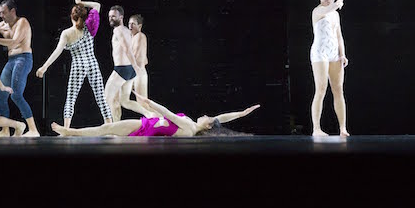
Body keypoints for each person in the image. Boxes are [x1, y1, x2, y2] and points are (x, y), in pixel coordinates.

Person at [36, 0, 112, 128]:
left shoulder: (67, 33)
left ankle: (66, 128)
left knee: (71, 98)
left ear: (72, 16)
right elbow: (97, 6)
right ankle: (110, 126)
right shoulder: (89, 26)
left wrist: (44, 67)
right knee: (101, 97)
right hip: (92, 63)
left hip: (78, 65)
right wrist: (80, 2)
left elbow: (57, 51)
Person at [51, 94, 259, 137]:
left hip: (145, 128)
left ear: (207, 126)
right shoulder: (193, 127)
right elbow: (221, 119)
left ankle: (71, 132)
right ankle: (71, 132)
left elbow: (167, 113)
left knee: (107, 129)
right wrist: (241, 113)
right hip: (147, 124)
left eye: (207, 118)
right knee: (108, 130)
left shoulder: (189, 127)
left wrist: (149, 102)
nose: (205, 115)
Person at [0, 0, 40, 137]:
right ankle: (5, 130)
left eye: (4, 12)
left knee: (16, 95)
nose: (1, 15)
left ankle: (33, 130)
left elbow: (13, 43)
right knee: (0, 96)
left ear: (12, 11)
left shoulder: (22, 22)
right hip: (11, 60)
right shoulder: (0, 26)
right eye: (0, 13)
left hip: (23, 58)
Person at [310, 0, 350, 137]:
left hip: (334, 53)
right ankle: (316, 129)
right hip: (320, 53)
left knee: (338, 90)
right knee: (321, 89)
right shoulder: (318, 11)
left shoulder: (335, 14)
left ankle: (342, 128)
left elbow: (339, 36)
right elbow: (329, 9)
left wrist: (342, 54)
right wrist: (337, 3)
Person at [103, 5, 153, 122]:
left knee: (105, 99)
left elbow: (127, 49)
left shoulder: (118, 30)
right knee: (125, 101)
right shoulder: (127, 31)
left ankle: (109, 126)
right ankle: (148, 113)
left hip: (122, 69)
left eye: (113, 16)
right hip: (129, 70)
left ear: (121, 17)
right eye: (110, 16)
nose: (111, 18)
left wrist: (135, 66)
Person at [128, 14, 149, 97]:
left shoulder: (140, 36)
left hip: (138, 73)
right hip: (135, 72)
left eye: (133, 24)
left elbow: (137, 57)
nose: (130, 26)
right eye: (129, 23)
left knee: (142, 102)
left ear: (139, 26)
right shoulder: (132, 38)